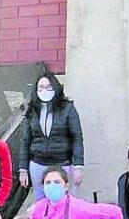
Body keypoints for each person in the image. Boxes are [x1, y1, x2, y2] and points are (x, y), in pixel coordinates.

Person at [18, 72, 84, 200]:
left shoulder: (68, 108)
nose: (45, 90)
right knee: (41, 203)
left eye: (48, 87)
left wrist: (78, 166)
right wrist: (23, 170)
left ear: (55, 87)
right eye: (41, 87)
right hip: (38, 164)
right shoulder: (32, 110)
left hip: (63, 163)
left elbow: (77, 137)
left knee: (65, 202)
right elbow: (25, 141)